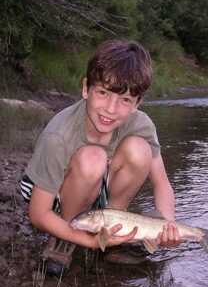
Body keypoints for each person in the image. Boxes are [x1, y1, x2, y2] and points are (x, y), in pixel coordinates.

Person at [20, 39, 180, 271]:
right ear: (86, 88)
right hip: (50, 192)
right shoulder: (58, 135)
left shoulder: (142, 125)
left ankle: (113, 234)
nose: (110, 109)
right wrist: (89, 242)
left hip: (96, 189)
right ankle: (64, 239)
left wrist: (167, 224)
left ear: (137, 103)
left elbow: (161, 182)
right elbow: (37, 213)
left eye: (125, 100)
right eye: (103, 93)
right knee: (92, 158)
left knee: (140, 150)